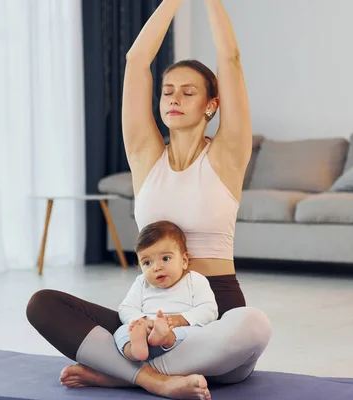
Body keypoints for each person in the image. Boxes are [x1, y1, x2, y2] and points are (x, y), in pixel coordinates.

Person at [26, 1, 272, 399]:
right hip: (146, 317)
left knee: (254, 325)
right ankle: (156, 380)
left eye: (188, 92)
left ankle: (119, 373)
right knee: (42, 304)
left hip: (212, 311)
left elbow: (230, 58)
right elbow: (137, 60)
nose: (174, 98)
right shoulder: (146, 157)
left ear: (211, 106)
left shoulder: (227, 156)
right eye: (168, 91)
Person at [114, 220, 218, 362]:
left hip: (178, 332)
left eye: (165, 258)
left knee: (196, 333)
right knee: (121, 332)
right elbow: (126, 307)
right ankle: (135, 351)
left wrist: (180, 319)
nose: (156, 267)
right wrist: (141, 321)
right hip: (147, 329)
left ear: (184, 260)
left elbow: (209, 309)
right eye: (147, 262)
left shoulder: (195, 280)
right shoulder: (141, 282)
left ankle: (166, 338)